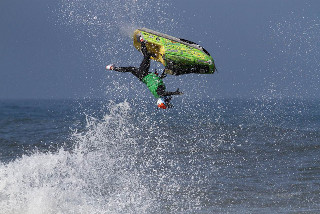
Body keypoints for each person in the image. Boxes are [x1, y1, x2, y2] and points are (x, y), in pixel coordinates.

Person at [106, 35, 183, 109]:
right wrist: (159, 76)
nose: (168, 100)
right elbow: (154, 83)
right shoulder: (160, 91)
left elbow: (163, 93)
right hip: (143, 76)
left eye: (167, 101)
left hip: (143, 74)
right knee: (131, 69)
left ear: (163, 100)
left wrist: (174, 93)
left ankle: (141, 40)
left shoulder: (159, 94)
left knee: (146, 56)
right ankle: (112, 68)